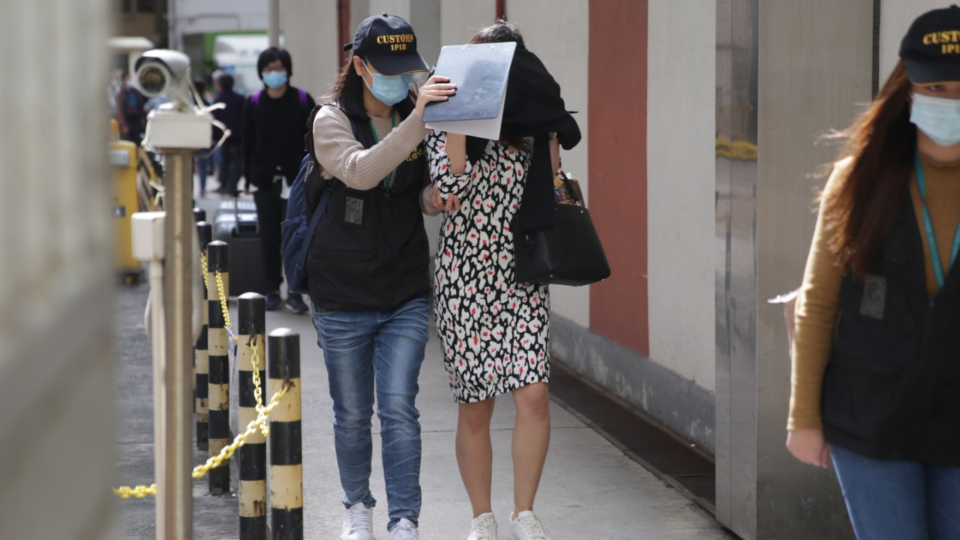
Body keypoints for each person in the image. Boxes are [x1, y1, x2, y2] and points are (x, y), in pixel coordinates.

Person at [787, 7, 960, 540]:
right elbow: (818, 303)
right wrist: (803, 416)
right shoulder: (857, 180)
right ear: (909, 91)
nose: (950, 101)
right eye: (936, 87)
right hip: (868, 417)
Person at [428, 21, 579, 540]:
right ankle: (481, 516)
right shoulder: (447, 118)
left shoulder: (536, 125)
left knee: (533, 394)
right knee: (476, 404)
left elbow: (557, 189)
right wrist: (457, 119)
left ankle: (524, 512)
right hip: (465, 278)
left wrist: (551, 137)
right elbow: (448, 187)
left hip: (522, 272)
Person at [307, 13, 456, 540]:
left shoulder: (415, 114)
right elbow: (364, 172)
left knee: (398, 406)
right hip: (342, 290)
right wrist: (419, 117)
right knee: (351, 413)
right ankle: (358, 508)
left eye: (405, 69)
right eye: (388, 69)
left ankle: (404, 519)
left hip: (404, 288)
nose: (400, 79)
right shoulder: (330, 120)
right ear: (361, 66)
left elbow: (407, 190)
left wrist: (432, 199)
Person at [241, 47, 316, 313]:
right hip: (265, 182)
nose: (274, 73)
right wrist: (248, 180)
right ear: (261, 72)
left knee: (296, 236)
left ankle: (295, 291)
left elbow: (314, 141)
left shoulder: (303, 100)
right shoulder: (254, 102)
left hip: (296, 181)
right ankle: (272, 288)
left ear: (288, 69)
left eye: (279, 67)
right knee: (269, 237)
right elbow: (246, 144)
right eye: (269, 68)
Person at [212, 72, 244, 196]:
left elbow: (215, 119)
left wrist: (214, 136)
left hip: (224, 136)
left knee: (224, 161)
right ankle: (232, 186)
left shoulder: (219, 99)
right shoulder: (240, 98)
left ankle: (224, 184)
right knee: (237, 163)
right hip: (239, 136)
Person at [115, 71, 146, 144]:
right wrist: (124, 125)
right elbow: (120, 111)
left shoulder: (136, 93)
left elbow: (141, 106)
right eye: (127, 79)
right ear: (123, 81)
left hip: (137, 122)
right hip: (128, 123)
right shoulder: (121, 95)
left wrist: (142, 119)